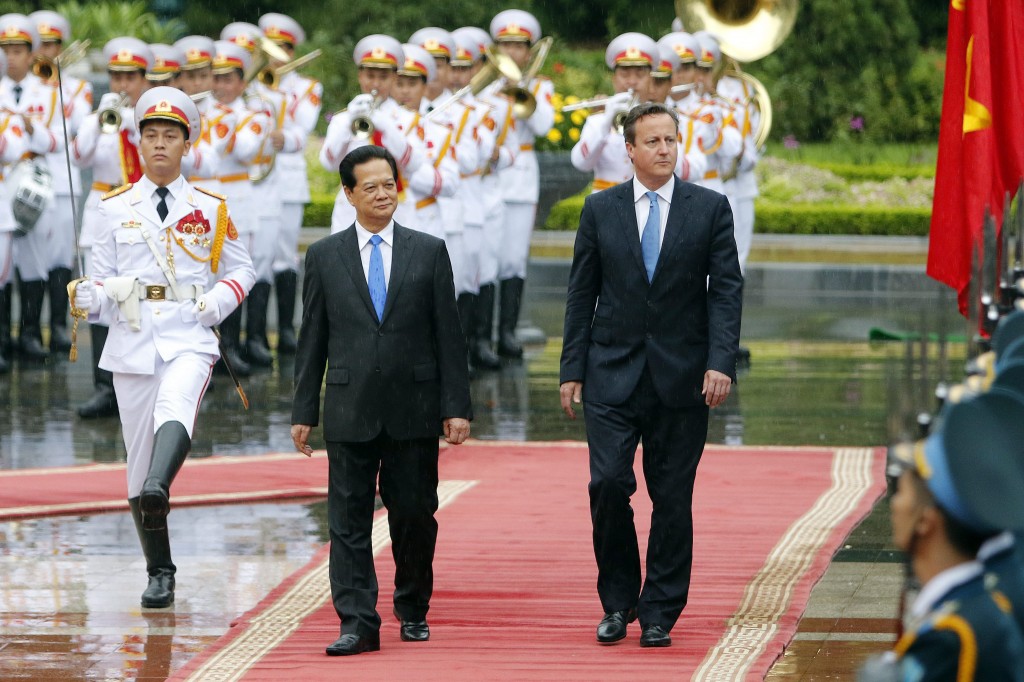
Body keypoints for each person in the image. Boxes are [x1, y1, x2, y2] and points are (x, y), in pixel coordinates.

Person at [559, 102, 742, 647]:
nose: (665, 150)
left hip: (683, 377)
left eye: (671, 140)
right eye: (654, 142)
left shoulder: (709, 208)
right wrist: (572, 367)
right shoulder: (600, 209)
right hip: (610, 373)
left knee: (672, 496)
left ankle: (660, 609)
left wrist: (720, 361)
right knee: (608, 483)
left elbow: (727, 291)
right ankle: (617, 602)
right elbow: (580, 292)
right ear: (630, 150)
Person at [72, 86, 255, 608]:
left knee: (177, 406)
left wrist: (216, 305)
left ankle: (159, 484)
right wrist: (89, 297)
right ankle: (160, 569)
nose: (159, 144)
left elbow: (243, 269)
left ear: (185, 144)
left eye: (169, 135)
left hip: (189, 333)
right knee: (136, 458)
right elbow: (104, 285)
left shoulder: (211, 208)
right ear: (138, 140)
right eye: (150, 134)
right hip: (132, 340)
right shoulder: (111, 209)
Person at [291, 145, 471, 656]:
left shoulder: (429, 250)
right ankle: (357, 620)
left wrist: (456, 406)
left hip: (413, 407)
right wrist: (304, 410)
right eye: (369, 186)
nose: (381, 193)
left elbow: (448, 336)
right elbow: (313, 339)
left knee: (414, 513)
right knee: (346, 521)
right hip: (350, 407)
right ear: (348, 194)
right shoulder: (324, 256)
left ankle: (412, 605)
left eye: (388, 184)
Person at [860, 392, 1024, 679]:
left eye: (904, 492)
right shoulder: (981, 605)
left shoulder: (952, 637)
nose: (895, 504)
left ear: (927, 520)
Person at [73, 37, 153, 419]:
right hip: (104, 209)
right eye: (116, 76)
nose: (123, 84)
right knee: (100, 298)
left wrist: (134, 125)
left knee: (141, 295)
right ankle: (105, 388)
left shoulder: (152, 117)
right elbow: (80, 153)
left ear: (143, 79)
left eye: (130, 77)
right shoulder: (101, 116)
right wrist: (98, 118)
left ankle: (139, 381)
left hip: (141, 211)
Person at [488, 9, 555, 359]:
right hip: (487, 175)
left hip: (521, 178)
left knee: (513, 259)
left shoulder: (541, 85)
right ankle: (481, 335)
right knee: (486, 259)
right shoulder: (485, 84)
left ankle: (507, 332)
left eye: (519, 46)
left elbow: (544, 126)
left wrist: (524, 89)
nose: (513, 52)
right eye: (507, 45)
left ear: (529, 52)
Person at [0, 13, 65, 363]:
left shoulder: (49, 93)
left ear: (31, 53)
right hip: (2, 182)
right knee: (2, 265)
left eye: (18, 50)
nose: (11, 57)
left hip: (36, 182)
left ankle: (29, 334)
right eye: (6, 49)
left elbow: (58, 140)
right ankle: (4, 339)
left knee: (35, 261)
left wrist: (31, 131)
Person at [257, 13, 322, 356]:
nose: (275, 57)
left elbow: (305, 125)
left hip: (287, 176)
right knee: (258, 255)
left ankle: (285, 329)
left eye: (281, 49)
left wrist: (288, 136)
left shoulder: (307, 87)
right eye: (270, 49)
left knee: (284, 255)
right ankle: (254, 334)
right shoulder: (253, 83)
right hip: (254, 178)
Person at [30, 10, 92, 354]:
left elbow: (79, 124)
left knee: (58, 259)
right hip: (31, 180)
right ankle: (29, 331)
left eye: (52, 45)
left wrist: (56, 84)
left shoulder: (77, 87)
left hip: (64, 181)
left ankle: (56, 328)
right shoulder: (23, 88)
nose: (46, 51)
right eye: (41, 45)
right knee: (31, 259)